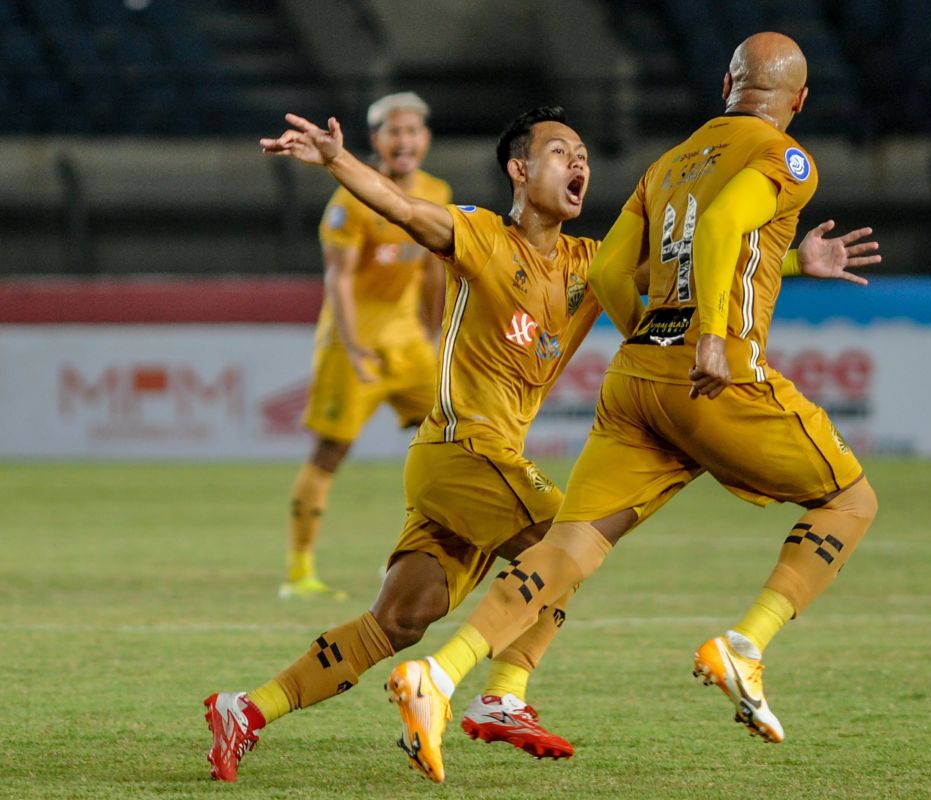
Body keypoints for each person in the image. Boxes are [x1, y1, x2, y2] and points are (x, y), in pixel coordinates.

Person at [387, 31, 882, 784]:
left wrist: (670, 331)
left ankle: (442, 676)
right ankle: (744, 647)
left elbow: (614, 269)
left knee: (567, 550)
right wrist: (708, 337)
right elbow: (719, 228)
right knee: (850, 499)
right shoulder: (787, 157)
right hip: (716, 378)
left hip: (638, 379)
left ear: (727, 83)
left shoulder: (670, 163)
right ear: (800, 100)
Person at [203, 105, 635, 782]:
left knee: (399, 621)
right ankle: (502, 696)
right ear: (519, 171)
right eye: (559, 151)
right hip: (467, 450)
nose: (578, 161)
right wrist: (338, 162)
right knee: (570, 538)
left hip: (459, 465)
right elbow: (402, 207)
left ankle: (246, 710)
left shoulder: (592, 265)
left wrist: (790, 260)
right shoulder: (482, 236)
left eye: (582, 153)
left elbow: (677, 279)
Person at [282, 91, 448, 601]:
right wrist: (354, 348)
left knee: (449, 437)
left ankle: (410, 557)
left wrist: (435, 331)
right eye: (394, 131)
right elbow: (340, 280)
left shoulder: (436, 191)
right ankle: (300, 571)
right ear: (375, 140)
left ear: (425, 139)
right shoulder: (349, 199)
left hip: (408, 345)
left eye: (413, 130)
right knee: (332, 450)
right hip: (352, 345)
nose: (405, 140)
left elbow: (433, 267)